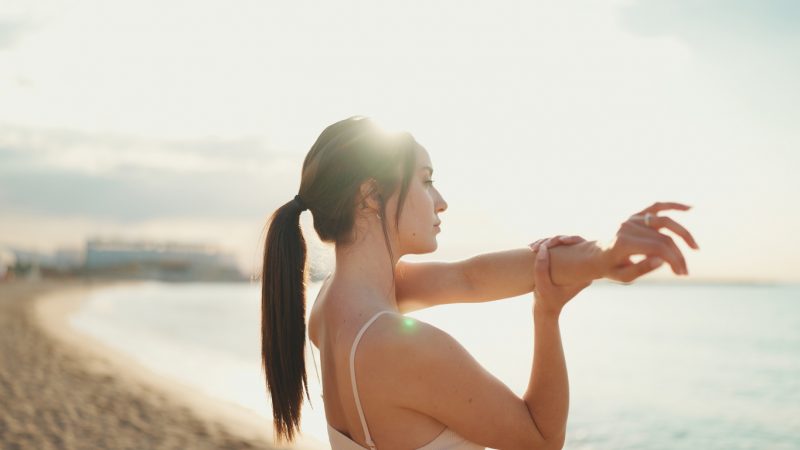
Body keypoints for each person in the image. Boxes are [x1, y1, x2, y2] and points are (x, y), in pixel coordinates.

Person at [260, 116, 699, 449]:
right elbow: (542, 440)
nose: (441, 201)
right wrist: (547, 315)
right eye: (426, 181)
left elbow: (469, 278)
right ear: (371, 196)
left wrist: (602, 256)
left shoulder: (332, 305)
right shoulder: (401, 346)